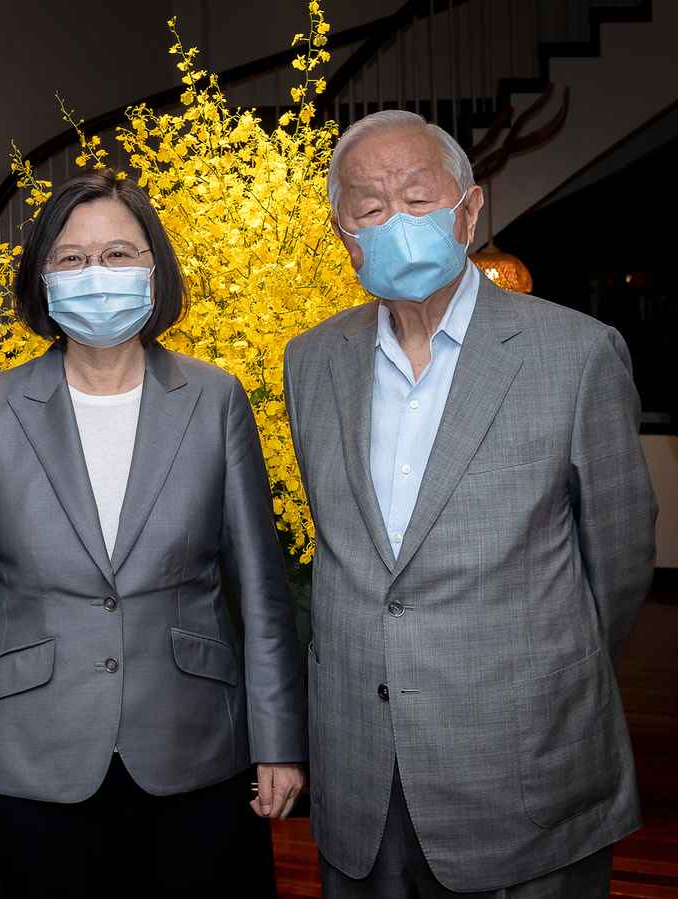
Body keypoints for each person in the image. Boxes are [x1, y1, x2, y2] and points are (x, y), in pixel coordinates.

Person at [284, 109, 657, 897]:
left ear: (468, 208)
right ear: (344, 234)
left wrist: (537, 666)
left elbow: (618, 561)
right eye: (370, 207)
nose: (396, 221)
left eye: (418, 199)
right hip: (360, 773)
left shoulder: (575, 354)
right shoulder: (312, 360)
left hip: (522, 768)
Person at [0, 169, 307, 898]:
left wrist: (280, 742)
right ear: (43, 279)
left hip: (197, 749)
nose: (96, 273)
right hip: (34, 756)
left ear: (155, 269)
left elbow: (262, 595)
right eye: (71, 258)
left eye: (119, 254)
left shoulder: (215, 400)